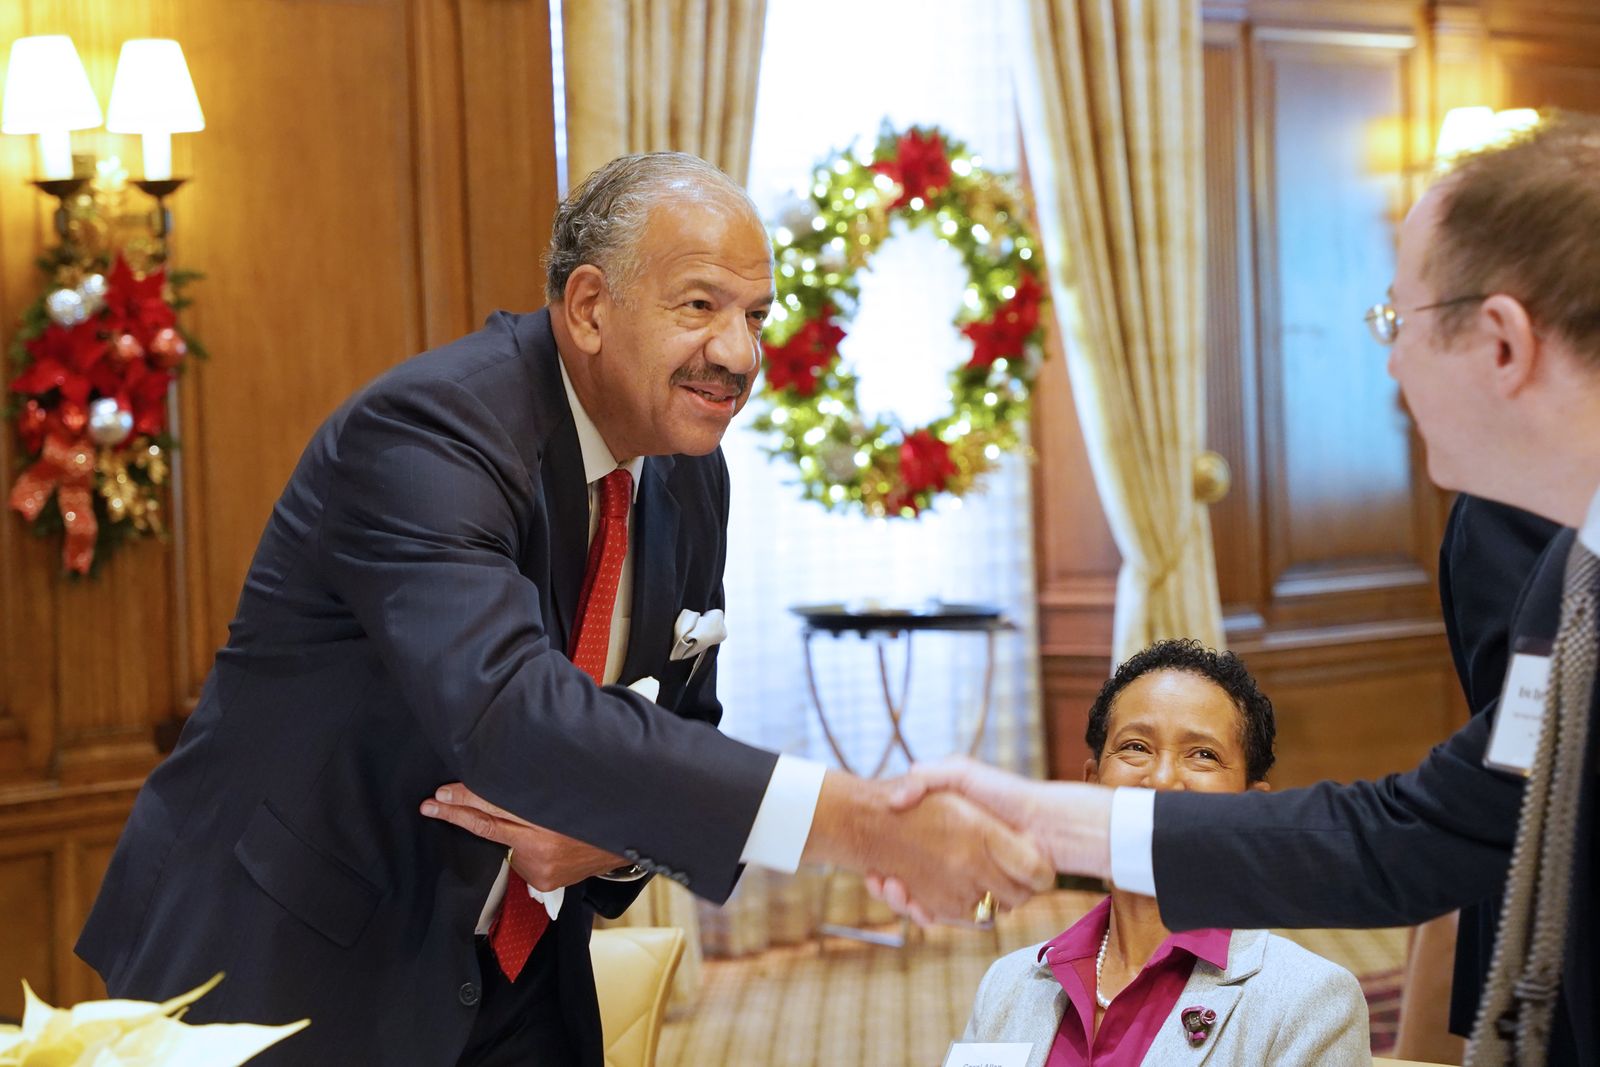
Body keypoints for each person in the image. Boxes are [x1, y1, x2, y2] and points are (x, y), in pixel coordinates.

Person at [75, 152, 1052, 1067]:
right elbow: (514, 715)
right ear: (589, 306)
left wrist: (619, 834)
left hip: (524, 976)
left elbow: (674, 725)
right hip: (287, 961)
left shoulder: (688, 474)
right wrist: (861, 824)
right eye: (701, 306)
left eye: (756, 314)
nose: (739, 352)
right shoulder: (428, 434)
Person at [878, 111, 1600, 1066]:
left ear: (1502, 343)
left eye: (1397, 320)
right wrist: (1037, 819)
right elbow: (1438, 829)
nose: (1388, 363)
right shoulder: (1568, 580)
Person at [962, 639, 1369, 1066]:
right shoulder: (1007, 985)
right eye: (1135, 746)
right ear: (1092, 785)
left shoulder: (1309, 1003)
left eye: (1203, 755)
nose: (1160, 779)